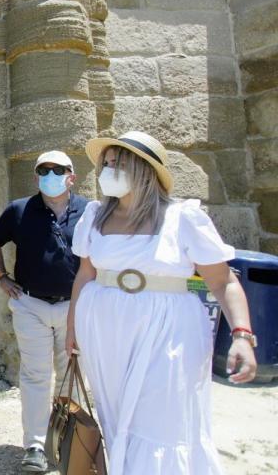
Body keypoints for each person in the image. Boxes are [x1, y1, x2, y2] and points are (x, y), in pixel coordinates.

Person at [66, 131, 257, 475]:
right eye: (106, 163)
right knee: (119, 417)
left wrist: (242, 335)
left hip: (169, 332)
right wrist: (72, 331)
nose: (108, 170)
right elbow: (84, 275)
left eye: (117, 164)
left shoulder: (183, 218)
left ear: (144, 170)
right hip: (105, 334)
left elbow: (223, 280)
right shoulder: (94, 215)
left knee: (162, 425)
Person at [0, 150, 89, 472]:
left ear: (72, 176)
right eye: (43, 170)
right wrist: (1, 278)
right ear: (36, 177)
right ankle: (34, 445)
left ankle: (67, 441)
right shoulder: (19, 210)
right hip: (31, 305)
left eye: (57, 170)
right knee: (35, 375)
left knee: (70, 374)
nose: (50, 175)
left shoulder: (89, 211)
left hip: (74, 306)